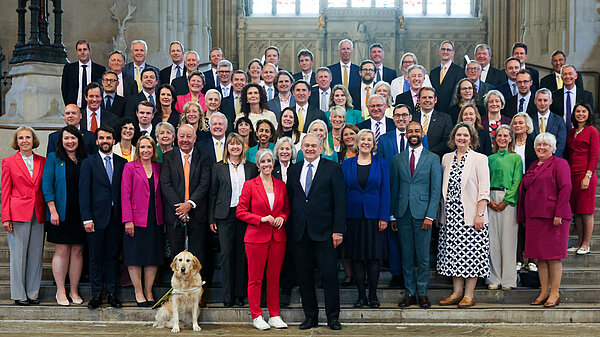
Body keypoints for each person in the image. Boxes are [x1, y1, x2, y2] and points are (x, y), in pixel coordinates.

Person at [287, 134, 346, 330]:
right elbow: (290, 200)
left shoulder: (332, 169)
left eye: (314, 145)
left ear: (321, 148)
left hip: (326, 233)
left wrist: (338, 230)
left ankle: (333, 317)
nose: (310, 148)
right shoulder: (294, 170)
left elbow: (340, 202)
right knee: (304, 277)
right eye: (307, 145)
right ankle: (310, 316)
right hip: (300, 233)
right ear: (301, 148)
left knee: (329, 276)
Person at [437, 122, 490, 309]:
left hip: (471, 215)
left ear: (472, 138)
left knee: (471, 255)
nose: (462, 138)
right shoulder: (446, 158)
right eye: (458, 135)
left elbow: (484, 189)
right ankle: (456, 293)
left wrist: (480, 213)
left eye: (465, 135)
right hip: (450, 215)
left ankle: (469, 294)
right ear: (453, 138)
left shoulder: (479, 158)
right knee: (454, 255)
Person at [237, 149, 289, 330]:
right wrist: (261, 219)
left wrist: (282, 216)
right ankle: (257, 315)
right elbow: (241, 212)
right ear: (257, 165)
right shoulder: (250, 185)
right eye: (263, 161)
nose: (267, 164)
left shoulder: (281, 185)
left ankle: (275, 315)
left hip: (277, 238)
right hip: (256, 238)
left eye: (270, 161)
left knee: (274, 279)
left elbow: (286, 209)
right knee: (255, 279)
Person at [391, 121, 441, 309]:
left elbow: (435, 189)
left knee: (422, 256)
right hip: (403, 213)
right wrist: (393, 215)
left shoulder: (432, 158)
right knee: (406, 255)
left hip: (423, 215)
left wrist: (430, 215)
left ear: (422, 134)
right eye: (410, 131)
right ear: (406, 135)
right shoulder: (398, 159)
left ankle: (422, 292)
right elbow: (395, 187)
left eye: (417, 131)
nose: (413, 133)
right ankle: (409, 292)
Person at [518, 133, 572, 307]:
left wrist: (559, 213)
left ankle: (554, 294)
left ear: (552, 148)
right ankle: (543, 292)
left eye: (545, 145)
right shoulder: (533, 164)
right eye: (538, 145)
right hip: (535, 217)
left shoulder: (560, 163)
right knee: (540, 258)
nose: (541, 147)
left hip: (553, 218)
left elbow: (566, 188)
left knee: (553, 258)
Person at [341, 129, 390, 309]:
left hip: (374, 217)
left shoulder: (381, 163)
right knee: (357, 258)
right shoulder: (347, 164)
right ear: (357, 142)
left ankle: (373, 295)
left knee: (373, 257)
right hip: (352, 217)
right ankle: (361, 296)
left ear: (373, 143)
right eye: (363, 139)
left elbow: (386, 191)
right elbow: (342, 192)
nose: (366, 142)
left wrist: (384, 216)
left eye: (369, 139)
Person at [79, 126, 126, 309]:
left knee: (113, 257)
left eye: (108, 137)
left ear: (114, 140)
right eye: (101, 138)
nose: (105, 141)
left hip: (116, 218)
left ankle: (113, 293)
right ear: (97, 141)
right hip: (95, 219)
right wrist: (86, 218)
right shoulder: (88, 163)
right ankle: (97, 294)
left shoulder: (122, 163)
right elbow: (83, 193)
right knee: (95, 257)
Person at [210, 133, 259, 307]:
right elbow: (213, 194)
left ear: (243, 147)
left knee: (242, 255)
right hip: (225, 215)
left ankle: (239, 295)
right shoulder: (218, 168)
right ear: (227, 148)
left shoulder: (251, 167)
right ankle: (227, 296)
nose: (235, 147)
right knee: (226, 255)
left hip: (246, 216)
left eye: (238, 144)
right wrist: (212, 218)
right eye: (232, 144)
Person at [160, 124, 211, 285]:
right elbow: (165, 184)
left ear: (195, 138)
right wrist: (180, 207)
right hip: (175, 215)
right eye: (182, 136)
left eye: (189, 136)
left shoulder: (204, 156)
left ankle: (198, 292)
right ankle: (179, 290)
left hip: (197, 213)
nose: (185, 140)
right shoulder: (169, 157)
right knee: (177, 256)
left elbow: (205, 183)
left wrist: (189, 204)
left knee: (197, 257)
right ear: (176, 138)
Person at [42, 126, 87, 306]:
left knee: (77, 251)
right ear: (61, 140)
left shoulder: (86, 159)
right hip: (60, 212)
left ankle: (73, 289)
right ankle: (61, 290)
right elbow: (47, 185)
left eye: (73, 138)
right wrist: (52, 209)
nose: (70, 142)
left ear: (78, 140)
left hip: (81, 212)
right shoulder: (54, 158)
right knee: (61, 250)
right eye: (66, 138)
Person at [2, 127, 46, 306]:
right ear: (16, 141)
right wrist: (6, 216)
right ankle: (19, 294)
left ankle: (33, 292)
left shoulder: (42, 161)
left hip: (38, 211)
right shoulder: (9, 162)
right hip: (18, 212)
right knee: (18, 255)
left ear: (33, 140)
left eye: (28, 137)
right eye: (21, 138)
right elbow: (5, 190)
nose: (25, 140)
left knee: (36, 255)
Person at [121, 136, 163, 307]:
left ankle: (149, 291)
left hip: (156, 218)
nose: (146, 150)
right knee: (135, 256)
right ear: (138, 149)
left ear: (154, 150)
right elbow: (125, 195)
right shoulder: (130, 167)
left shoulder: (159, 167)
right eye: (142, 147)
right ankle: (138, 291)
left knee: (152, 256)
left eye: (149, 147)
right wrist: (128, 220)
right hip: (136, 219)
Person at [487, 125, 523, 290]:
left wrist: (506, 201)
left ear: (510, 139)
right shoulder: (489, 159)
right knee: (492, 240)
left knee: (508, 240)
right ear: (495, 139)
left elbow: (517, 181)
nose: (502, 138)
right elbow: (484, 180)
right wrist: (488, 200)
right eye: (499, 135)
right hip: (491, 199)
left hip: (508, 199)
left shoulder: (516, 158)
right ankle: (494, 278)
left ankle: (508, 280)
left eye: (505, 136)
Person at [565, 103, 599, 255]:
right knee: (577, 211)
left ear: (589, 114)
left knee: (586, 211)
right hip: (572, 175)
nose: (580, 114)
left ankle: (586, 243)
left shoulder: (592, 131)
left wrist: (588, 175)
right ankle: (578, 241)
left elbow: (594, 155)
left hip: (586, 175)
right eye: (578, 111)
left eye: (583, 111)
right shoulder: (572, 132)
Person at [510, 112, 538, 272]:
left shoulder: (535, 143)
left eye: (521, 123)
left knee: (530, 223)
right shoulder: (509, 143)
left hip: (531, 187)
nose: (517, 126)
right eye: (515, 123)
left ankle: (532, 259)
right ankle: (518, 258)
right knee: (517, 223)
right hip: (514, 186)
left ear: (528, 126)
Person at [410, 87, 453, 159]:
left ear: (435, 100)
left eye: (430, 97)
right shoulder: (412, 118)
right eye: (424, 97)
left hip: (436, 159)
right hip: (414, 159)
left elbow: (448, 141)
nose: (427, 100)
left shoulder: (445, 119)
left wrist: (428, 152)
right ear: (418, 100)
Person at [61, 40, 105, 108]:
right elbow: (64, 89)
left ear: (90, 51)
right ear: (76, 52)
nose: (82, 52)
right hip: (75, 108)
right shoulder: (69, 69)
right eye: (79, 50)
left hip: (94, 107)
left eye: (85, 49)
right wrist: (68, 104)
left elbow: (102, 90)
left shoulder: (100, 69)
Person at [550, 65, 594, 129]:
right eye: (565, 74)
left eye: (570, 74)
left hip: (580, 131)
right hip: (560, 132)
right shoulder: (554, 95)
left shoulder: (587, 95)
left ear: (576, 76)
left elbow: (592, 118)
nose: (567, 77)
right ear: (562, 78)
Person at [531, 88, 566, 157]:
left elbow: (561, 145)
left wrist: (551, 161)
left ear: (551, 101)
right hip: (533, 162)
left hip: (553, 162)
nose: (542, 103)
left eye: (545, 100)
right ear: (535, 101)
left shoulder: (559, 121)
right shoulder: (530, 120)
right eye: (539, 100)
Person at [430, 40, 464, 112]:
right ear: (440, 51)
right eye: (443, 49)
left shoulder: (459, 71)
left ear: (453, 53)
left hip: (451, 111)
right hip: (435, 111)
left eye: (448, 50)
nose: (445, 52)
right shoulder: (433, 72)